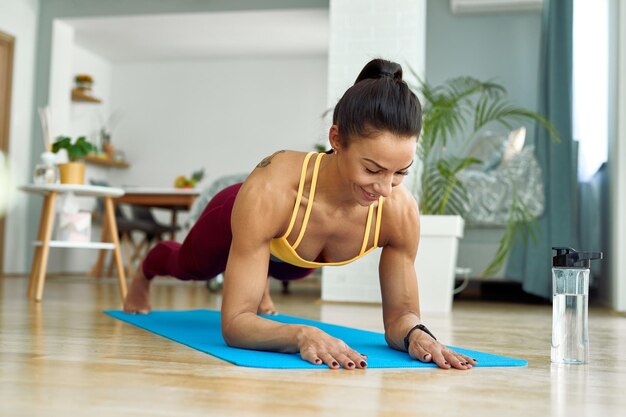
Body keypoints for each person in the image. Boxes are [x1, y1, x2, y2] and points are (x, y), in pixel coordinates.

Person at [123, 58, 477, 371]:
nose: (385, 188)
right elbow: (235, 323)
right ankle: (143, 273)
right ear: (336, 139)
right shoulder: (272, 189)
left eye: (401, 172)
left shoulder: (399, 209)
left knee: (294, 267)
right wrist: (300, 334)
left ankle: (259, 280)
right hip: (241, 216)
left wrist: (417, 334)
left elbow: (401, 315)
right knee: (191, 267)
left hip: (298, 255)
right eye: (372, 169)